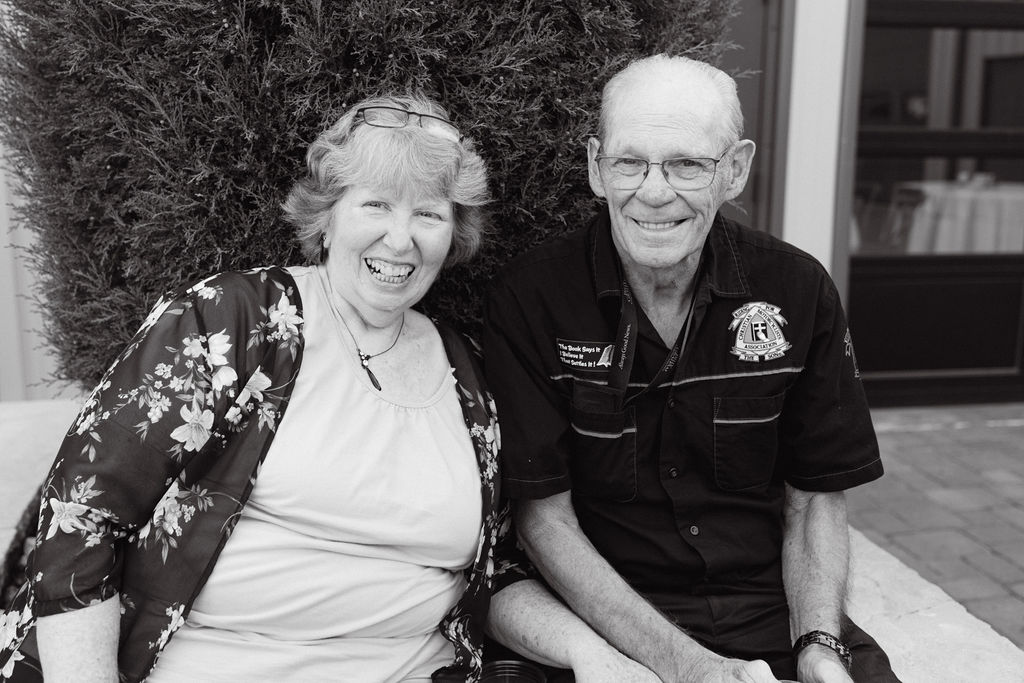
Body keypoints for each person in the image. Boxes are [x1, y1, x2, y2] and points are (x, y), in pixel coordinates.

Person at [0, 93, 657, 683]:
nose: (400, 239)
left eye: (428, 213)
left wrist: (585, 647)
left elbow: (495, 573)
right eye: (376, 204)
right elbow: (81, 518)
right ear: (328, 215)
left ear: (452, 234)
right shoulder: (236, 320)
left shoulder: (470, 376)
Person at [483, 55, 901, 683]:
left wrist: (817, 643)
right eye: (630, 162)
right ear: (597, 167)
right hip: (600, 613)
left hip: (771, 609)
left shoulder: (797, 289)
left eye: (686, 164)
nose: (654, 191)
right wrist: (692, 668)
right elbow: (546, 520)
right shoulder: (532, 298)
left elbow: (814, 499)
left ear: (734, 170)